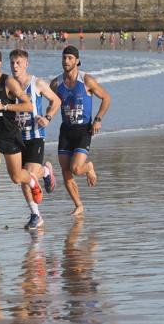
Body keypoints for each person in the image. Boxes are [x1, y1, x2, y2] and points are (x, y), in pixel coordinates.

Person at [0, 47, 44, 234]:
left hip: (9, 135)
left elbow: (28, 105)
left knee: (17, 177)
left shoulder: (8, 82)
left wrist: (4, 105)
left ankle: (33, 181)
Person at [50, 45, 111, 216]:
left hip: (84, 130)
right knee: (65, 171)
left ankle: (89, 167)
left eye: (70, 58)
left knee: (76, 168)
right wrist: (45, 117)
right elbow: (52, 105)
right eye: (64, 57)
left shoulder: (87, 81)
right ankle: (78, 205)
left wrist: (98, 119)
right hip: (66, 131)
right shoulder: (56, 83)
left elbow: (106, 98)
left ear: (77, 61)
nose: (66, 61)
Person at [10, 49, 61, 230]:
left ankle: (46, 172)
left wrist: (47, 117)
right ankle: (36, 215)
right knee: (22, 178)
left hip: (35, 136)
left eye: (18, 63)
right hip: (17, 139)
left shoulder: (37, 83)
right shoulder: (9, 86)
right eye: (12, 63)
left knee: (29, 175)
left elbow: (56, 101)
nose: (15, 66)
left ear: (26, 64)